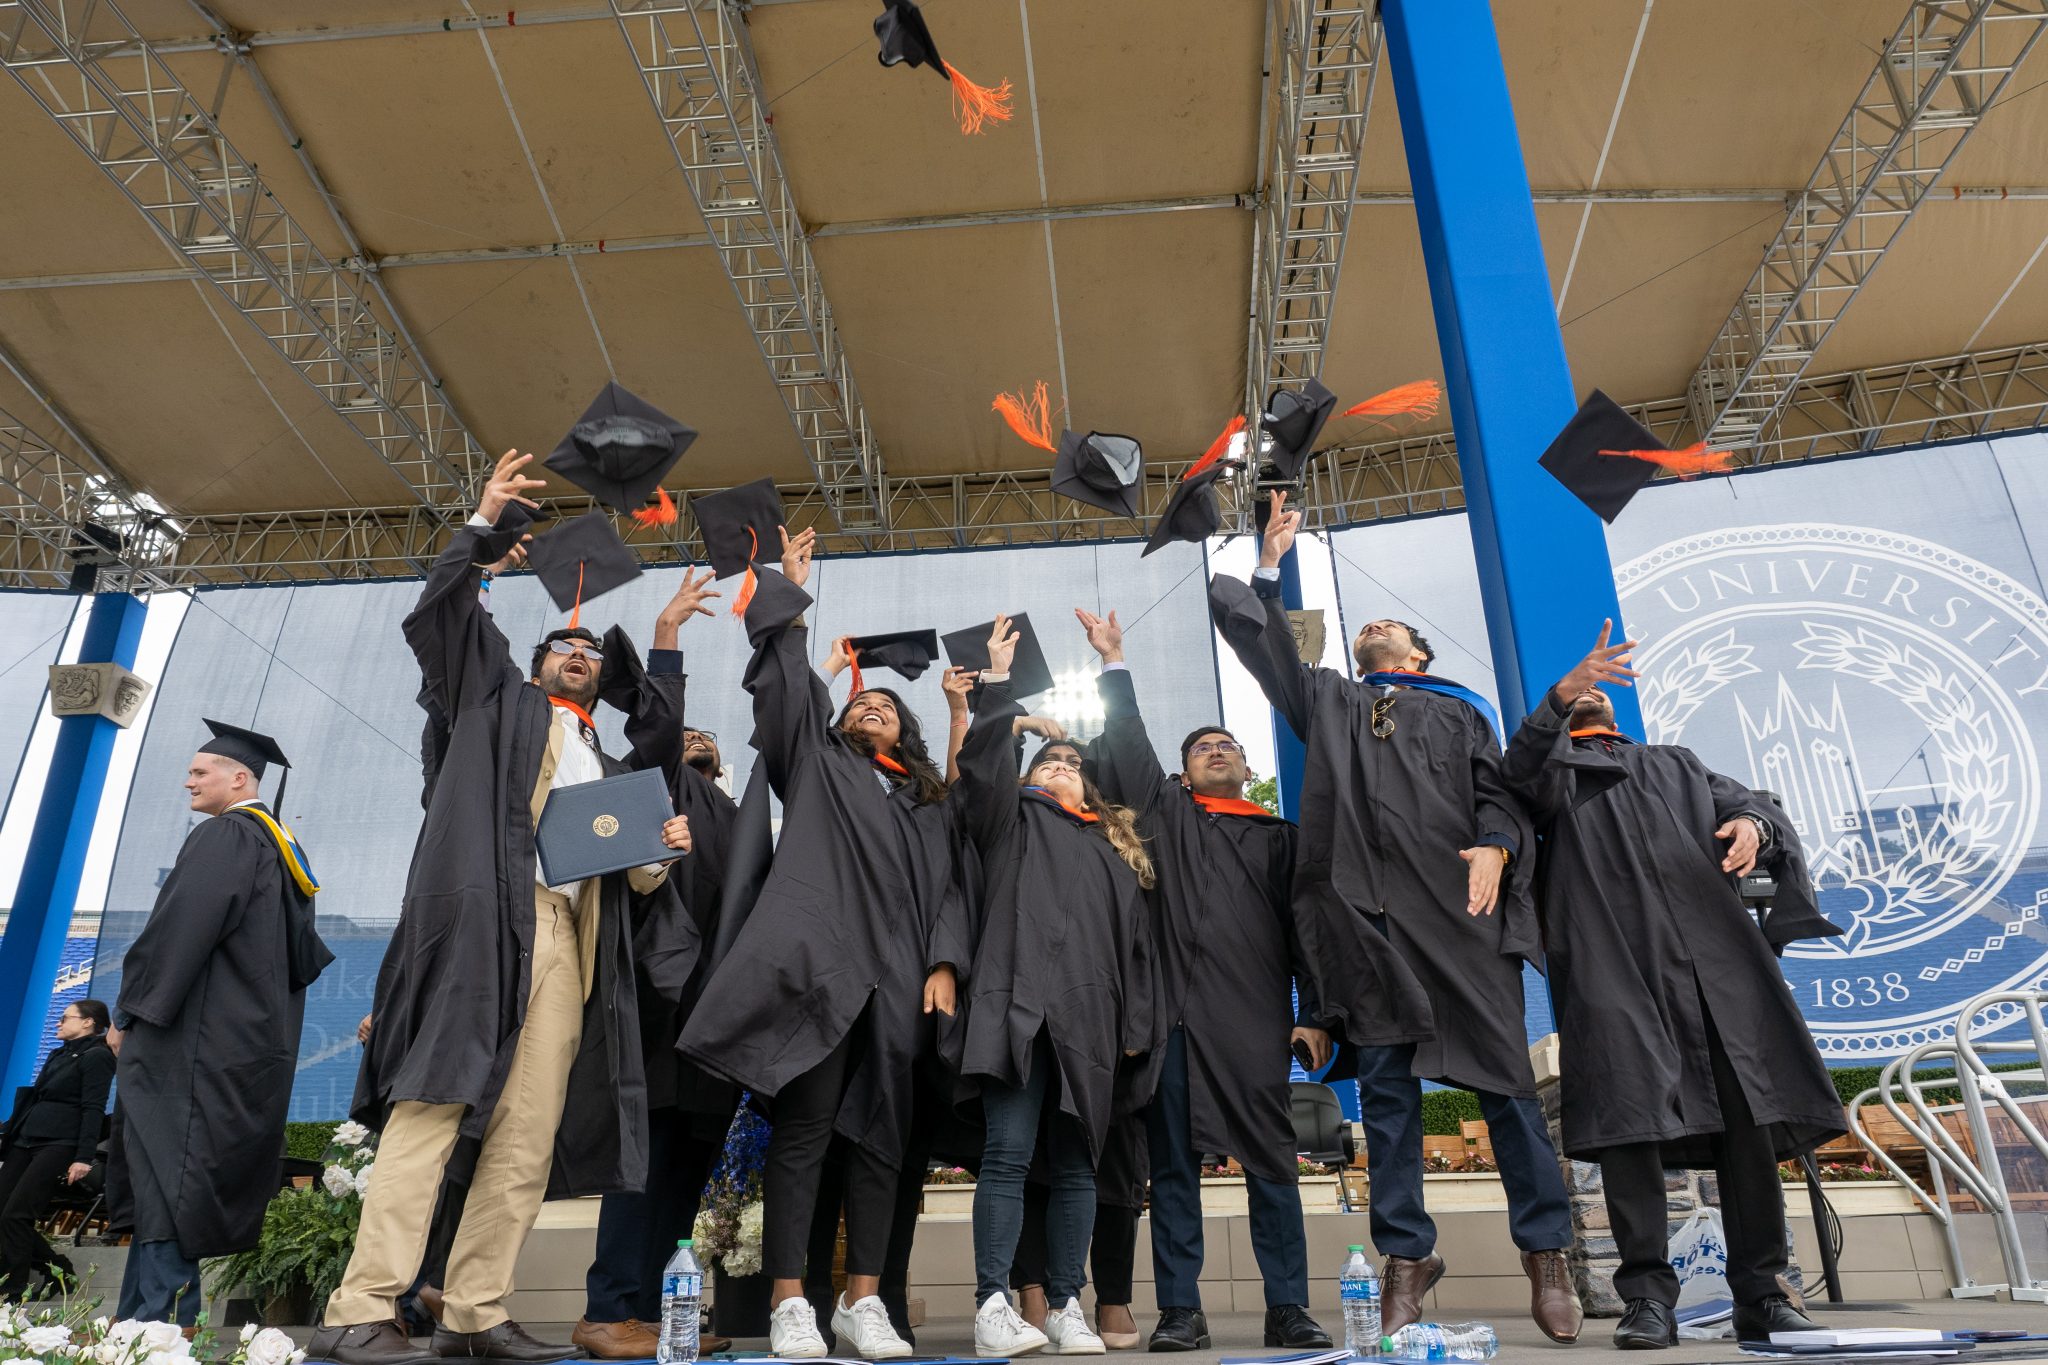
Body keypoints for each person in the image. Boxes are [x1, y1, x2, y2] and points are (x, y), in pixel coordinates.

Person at [314, 451, 697, 1365]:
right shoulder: (487, 705)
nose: (580, 654)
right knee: (434, 1111)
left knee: (525, 1137)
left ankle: (474, 1310)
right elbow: (439, 617)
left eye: (592, 653)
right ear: (533, 663)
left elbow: (632, 876)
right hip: (486, 925)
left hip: (568, 941)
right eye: (565, 645)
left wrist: (663, 851)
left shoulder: (611, 767)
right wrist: (482, 527)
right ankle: (361, 1304)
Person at [1210, 492, 1581, 1344]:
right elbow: (1264, 646)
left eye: (1392, 625)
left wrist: (1494, 843)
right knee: (1388, 1102)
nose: (1376, 623)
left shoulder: (1458, 710)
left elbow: (1499, 791)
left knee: (1507, 1094)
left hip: (1457, 921)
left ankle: (1546, 1252)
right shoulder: (1332, 700)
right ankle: (1407, 1258)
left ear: (1417, 652)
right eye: (1367, 623)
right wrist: (1267, 563)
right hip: (1371, 932)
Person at [1502, 624, 1846, 1350]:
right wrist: (1559, 696)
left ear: (1620, 714)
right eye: (1576, 692)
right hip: (1611, 965)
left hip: (1715, 966)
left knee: (1748, 1121)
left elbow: (1758, 805)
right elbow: (1520, 770)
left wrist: (1753, 824)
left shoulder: (1677, 765)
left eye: (1595, 691)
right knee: (1630, 1125)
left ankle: (1762, 1290)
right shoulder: (1550, 773)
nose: (1588, 694)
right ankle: (1648, 1298)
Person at [676, 525, 968, 1362]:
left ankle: (864, 1301)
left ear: (904, 733)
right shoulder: (819, 766)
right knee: (804, 1133)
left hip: (900, 977)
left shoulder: (926, 801)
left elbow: (953, 885)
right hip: (824, 967)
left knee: (880, 1139)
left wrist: (946, 961)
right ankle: (790, 1301)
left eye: (885, 706)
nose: (870, 707)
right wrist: (792, 599)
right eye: (859, 705)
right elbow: (788, 697)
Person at [1074, 608, 1339, 1352]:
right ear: (1182, 772)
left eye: (1227, 745)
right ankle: (1180, 1310)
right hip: (1175, 1027)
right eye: (1201, 747)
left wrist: (1312, 1012)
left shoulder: (1279, 838)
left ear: (1246, 767)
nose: (1215, 751)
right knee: (1174, 1171)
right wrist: (1115, 662)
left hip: (1253, 1025)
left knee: (1271, 1169)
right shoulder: (1167, 816)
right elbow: (1127, 744)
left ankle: (1288, 1305)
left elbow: (1307, 933)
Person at [953, 614, 1156, 1360]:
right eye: (1051, 758)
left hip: (1091, 1024)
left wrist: (1135, 1022)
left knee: (1079, 1166)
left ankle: (1068, 1301)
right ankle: (993, 1303)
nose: (1063, 763)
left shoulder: (1112, 852)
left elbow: (1136, 950)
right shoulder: (1009, 818)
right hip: (1019, 1007)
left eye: (1073, 760)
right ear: (1032, 774)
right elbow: (981, 767)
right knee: (1008, 1152)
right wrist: (999, 688)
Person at [109, 721, 334, 1325]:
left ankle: (162, 1326)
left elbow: (180, 927)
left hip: (192, 1039)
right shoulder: (281, 847)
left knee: (167, 1172)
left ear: (240, 779)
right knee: (176, 1174)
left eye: (199, 771)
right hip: (246, 1043)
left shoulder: (226, 836)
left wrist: (132, 1010)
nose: (187, 780)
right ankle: (138, 1323)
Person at [575, 583, 747, 1361]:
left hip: (720, 1019)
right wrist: (667, 638)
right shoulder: (659, 792)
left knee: (687, 1170)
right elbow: (660, 729)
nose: (696, 740)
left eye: (708, 740)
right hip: (659, 1000)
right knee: (639, 1165)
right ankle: (608, 1304)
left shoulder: (745, 824)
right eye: (687, 734)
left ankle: (654, 1310)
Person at [0, 999, 114, 1296]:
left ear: (88, 1022)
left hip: (59, 1143)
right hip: (26, 1139)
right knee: (3, 1212)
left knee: (16, 1215)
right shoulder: (58, 1054)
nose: (58, 1023)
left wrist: (83, 1157)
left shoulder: (97, 1056)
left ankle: (13, 1291)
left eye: (65, 1018)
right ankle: (58, 1271)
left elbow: (93, 1108)